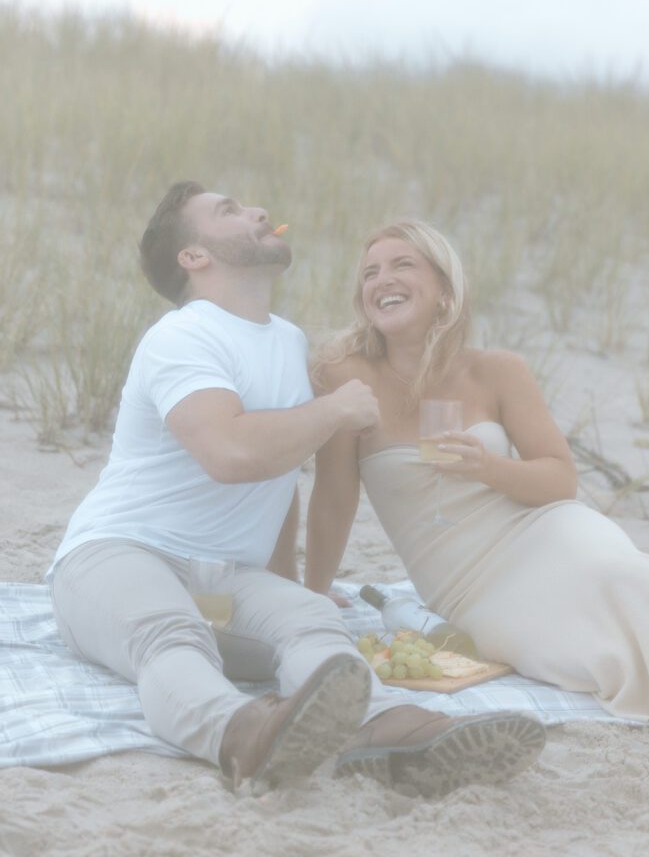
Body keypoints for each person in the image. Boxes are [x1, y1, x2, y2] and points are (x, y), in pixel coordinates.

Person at [46, 185, 545, 797]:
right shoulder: (182, 338)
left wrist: (290, 582)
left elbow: (277, 478)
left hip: (224, 581)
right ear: (194, 257)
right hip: (116, 557)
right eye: (229, 211)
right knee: (170, 634)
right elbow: (230, 453)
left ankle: (390, 731)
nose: (258, 212)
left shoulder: (287, 341)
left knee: (309, 621)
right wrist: (334, 410)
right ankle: (243, 736)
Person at [306, 220, 649, 723]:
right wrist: (313, 590)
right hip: (467, 585)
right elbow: (334, 495)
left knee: (623, 577)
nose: (382, 279)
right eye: (370, 273)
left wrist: (487, 466)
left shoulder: (497, 370)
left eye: (402, 265)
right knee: (570, 651)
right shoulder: (345, 376)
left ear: (444, 290)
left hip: (547, 533)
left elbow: (559, 480)